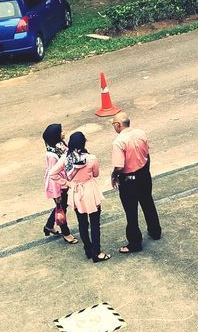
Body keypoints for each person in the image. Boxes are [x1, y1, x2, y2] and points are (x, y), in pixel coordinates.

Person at [110, 111, 161, 254]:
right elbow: (146, 154)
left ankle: (135, 242)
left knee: (131, 212)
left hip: (129, 181)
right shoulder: (140, 133)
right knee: (148, 203)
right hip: (144, 176)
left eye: (114, 124)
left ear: (118, 125)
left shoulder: (119, 142)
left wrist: (114, 176)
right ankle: (155, 231)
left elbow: (119, 167)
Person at [57, 132, 109, 263]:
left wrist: (67, 183)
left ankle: (88, 250)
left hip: (76, 193)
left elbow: (53, 173)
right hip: (90, 191)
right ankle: (97, 252)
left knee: (82, 223)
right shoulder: (91, 158)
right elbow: (96, 174)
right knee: (95, 223)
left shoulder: (66, 158)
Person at [41, 124, 77, 244]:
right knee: (61, 208)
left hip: (65, 182)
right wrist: (57, 194)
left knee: (62, 207)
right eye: (61, 131)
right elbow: (53, 175)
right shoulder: (51, 155)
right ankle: (66, 233)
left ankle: (49, 226)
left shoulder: (59, 145)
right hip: (59, 185)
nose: (63, 132)